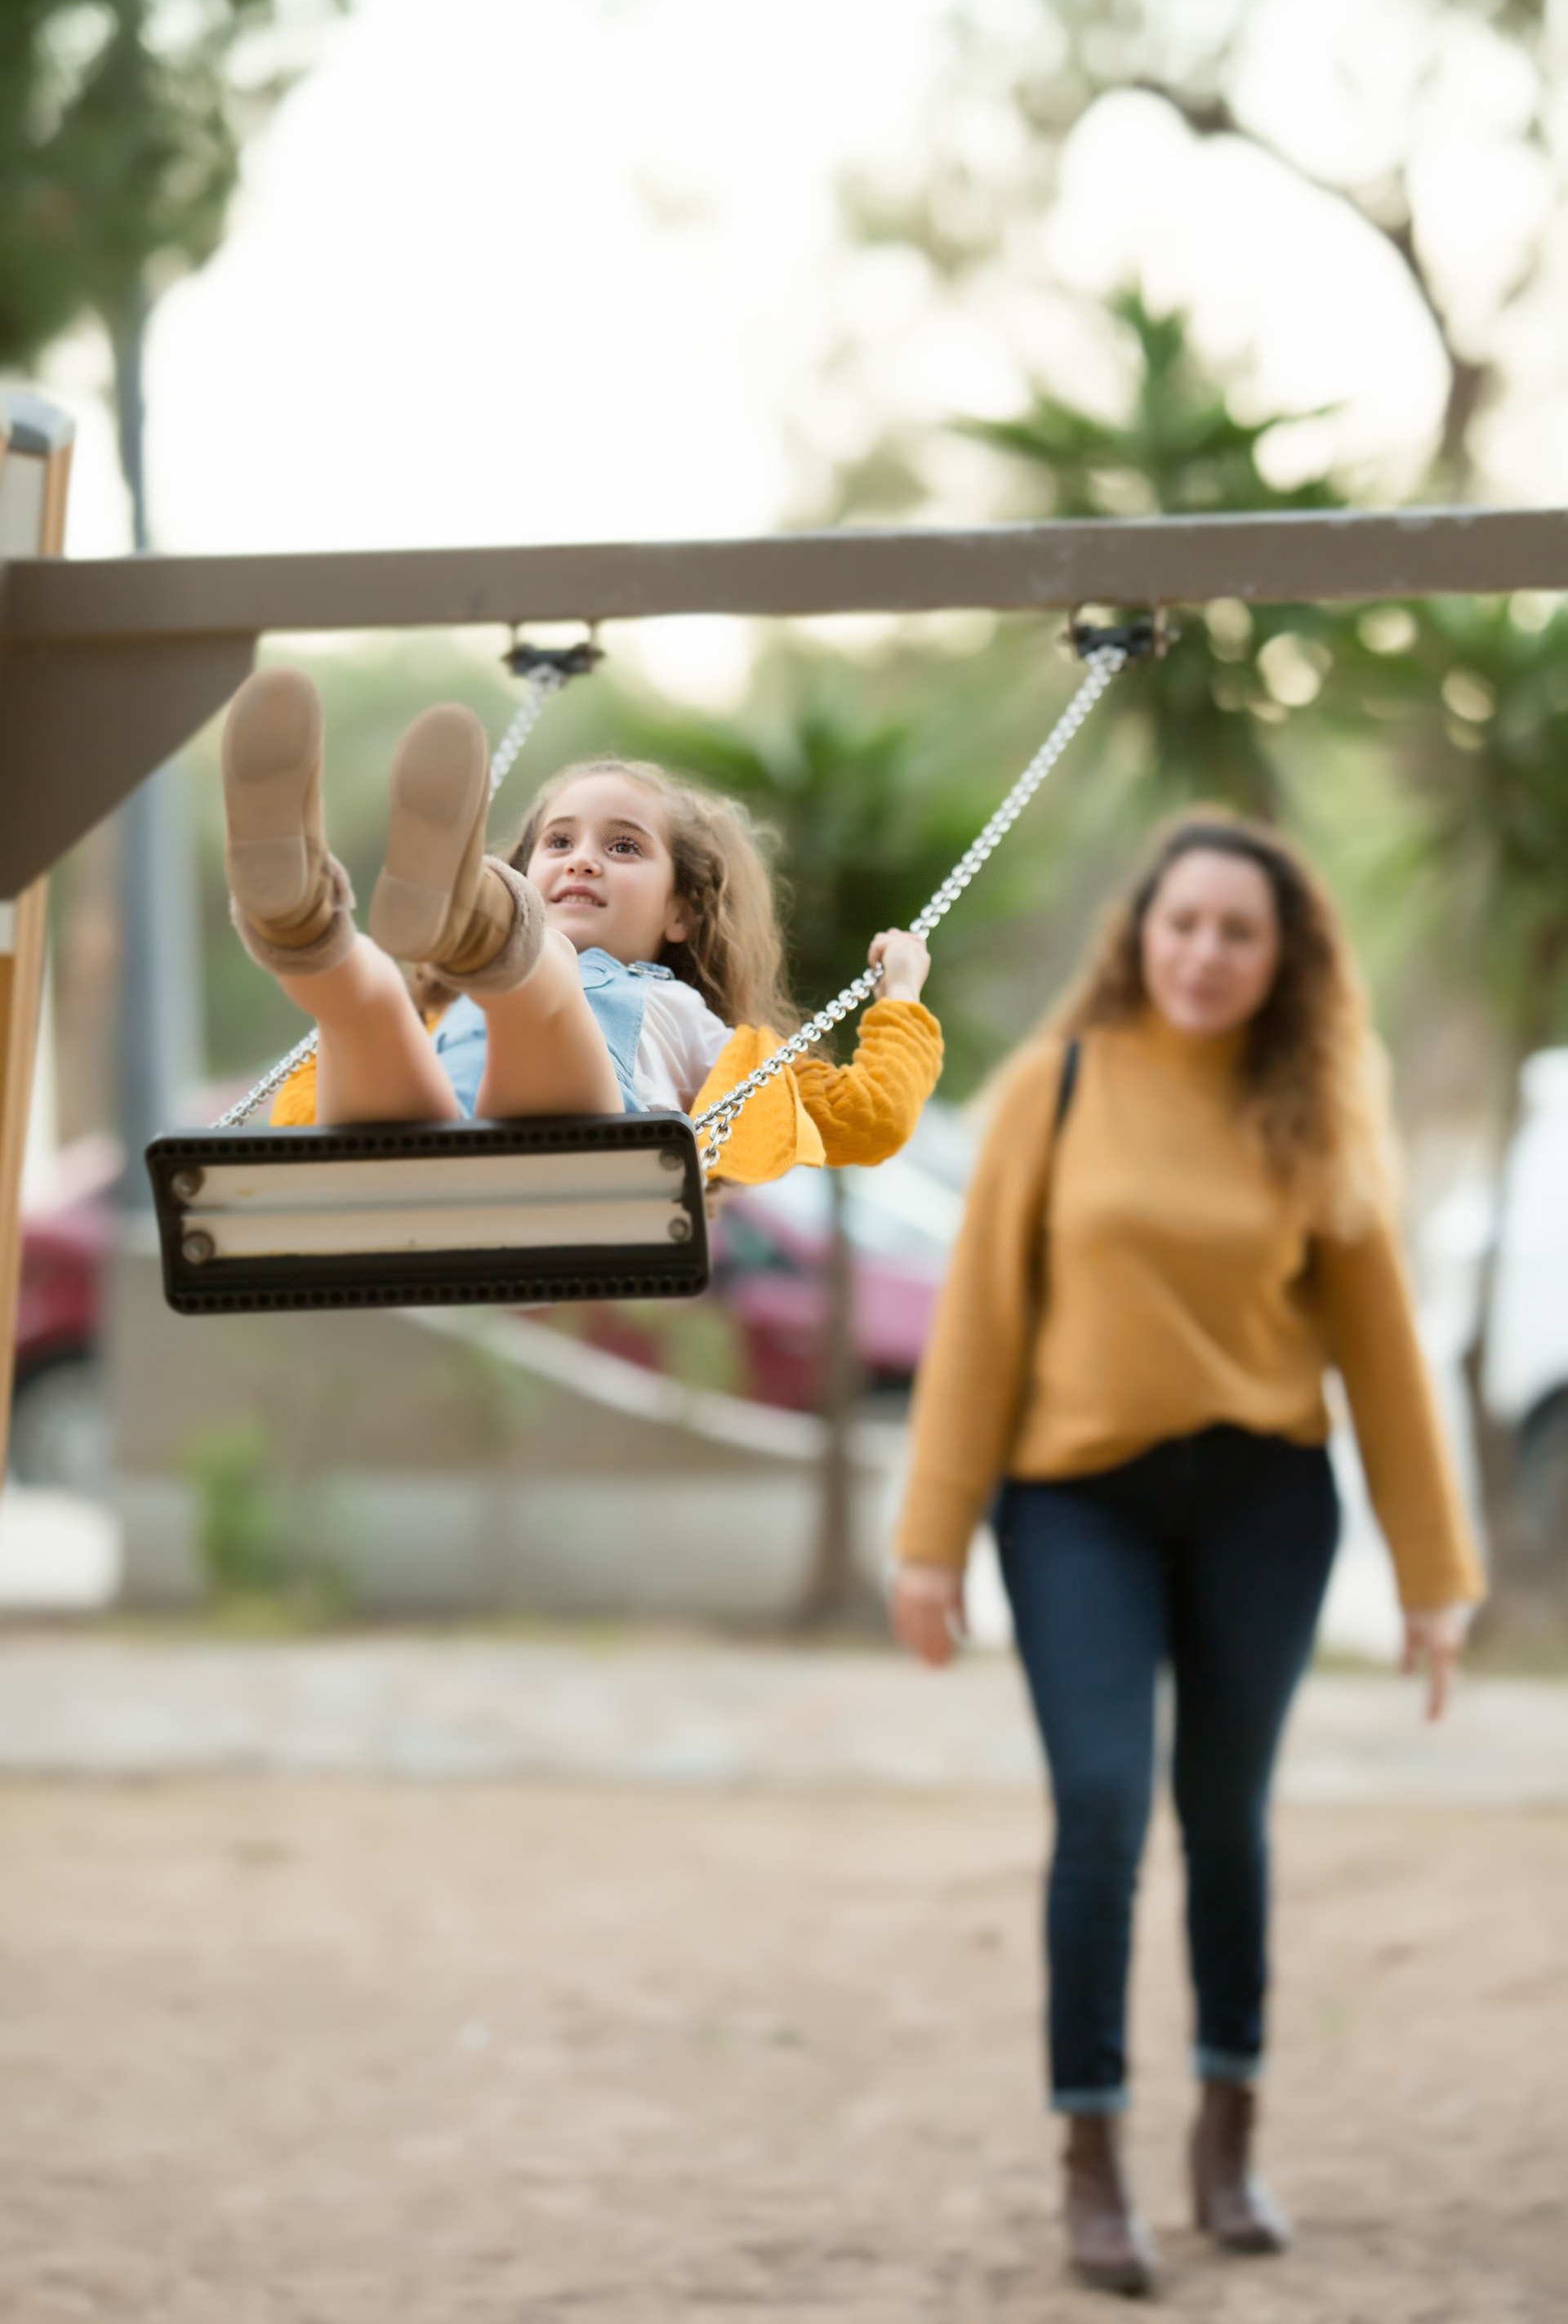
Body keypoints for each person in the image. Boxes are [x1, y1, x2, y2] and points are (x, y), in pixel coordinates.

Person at [888, 809, 1484, 2298]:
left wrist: (1434, 1577)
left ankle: (1228, 2132)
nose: (1205, 954)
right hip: (1073, 1501)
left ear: (1284, 961)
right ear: (1139, 935)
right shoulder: (1057, 1084)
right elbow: (979, 1325)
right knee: (1101, 1807)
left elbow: (1383, 1356)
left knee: (1227, 1817)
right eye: (1184, 924)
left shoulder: (1319, 1108)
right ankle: (1091, 2155)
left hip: (1262, 1504)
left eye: (1239, 933)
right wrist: (930, 1541)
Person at [218, 668, 942, 1175]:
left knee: (543, 977)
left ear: (682, 911)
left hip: (575, 1163)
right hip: (415, 1151)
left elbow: (869, 1118)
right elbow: (310, 1104)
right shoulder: (441, 1013)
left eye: (623, 847)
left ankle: (485, 924)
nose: (583, 861)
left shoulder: (695, 1029)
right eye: (558, 843)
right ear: (528, 869)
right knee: (368, 997)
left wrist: (901, 994)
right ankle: (301, 920)